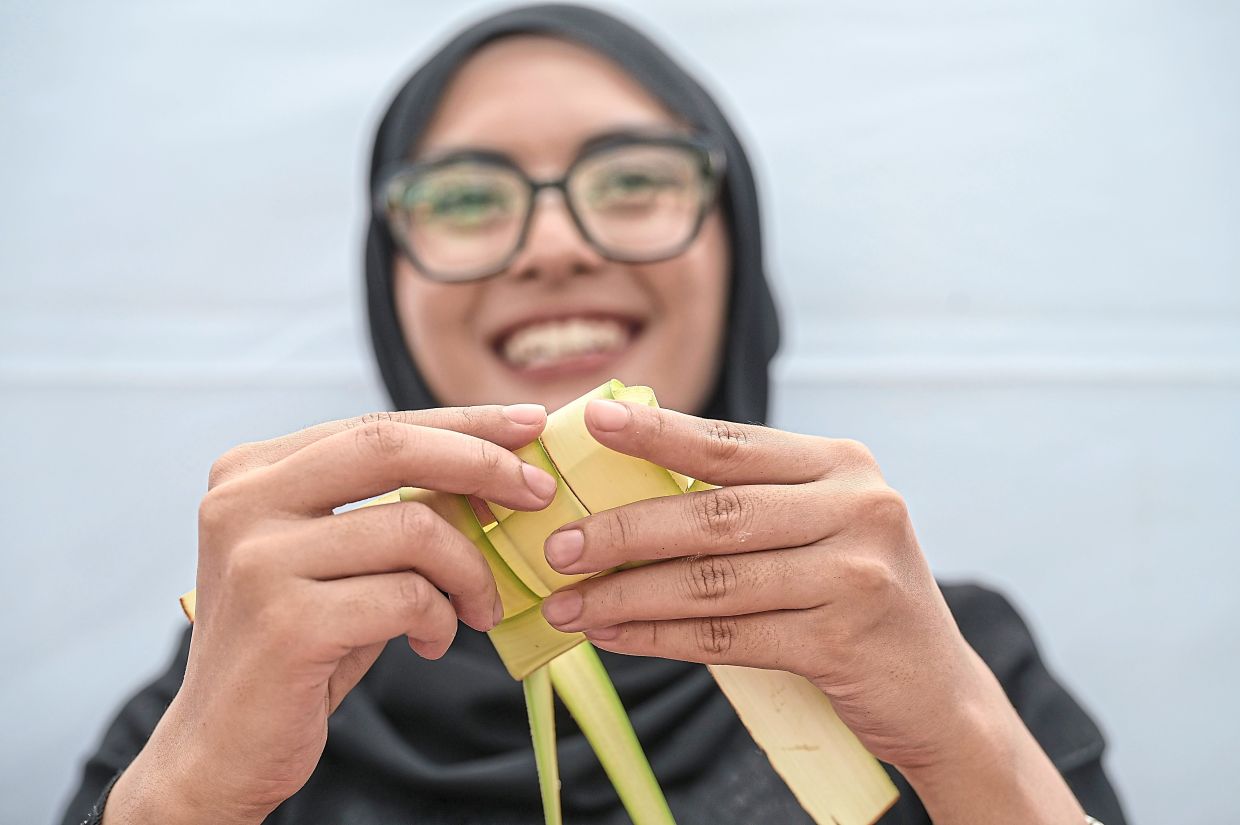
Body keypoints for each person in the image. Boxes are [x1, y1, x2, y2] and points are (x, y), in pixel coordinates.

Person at [61, 5, 1128, 824]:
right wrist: (190, 791)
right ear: (390, 286)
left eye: (632, 181)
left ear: (737, 254)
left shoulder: (936, 646)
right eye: (466, 199)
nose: (553, 245)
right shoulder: (264, 661)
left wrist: (967, 743)